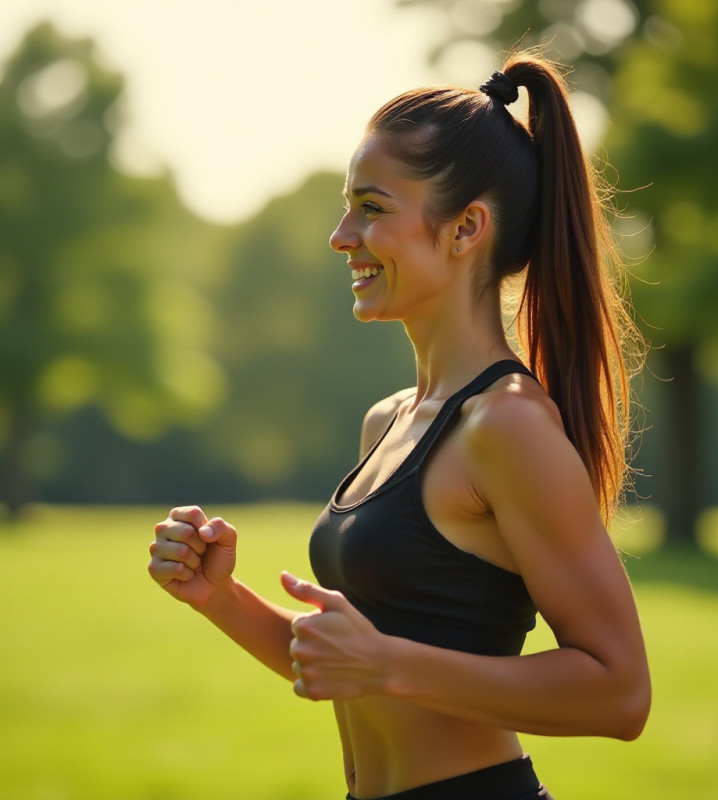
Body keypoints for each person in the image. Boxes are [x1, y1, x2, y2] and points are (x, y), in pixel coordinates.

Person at [148, 50, 651, 800]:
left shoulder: (506, 426)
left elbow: (619, 692)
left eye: (372, 207)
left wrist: (386, 665)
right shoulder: (387, 421)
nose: (341, 235)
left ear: (465, 228)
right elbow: (357, 666)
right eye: (348, 205)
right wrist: (221, 596)